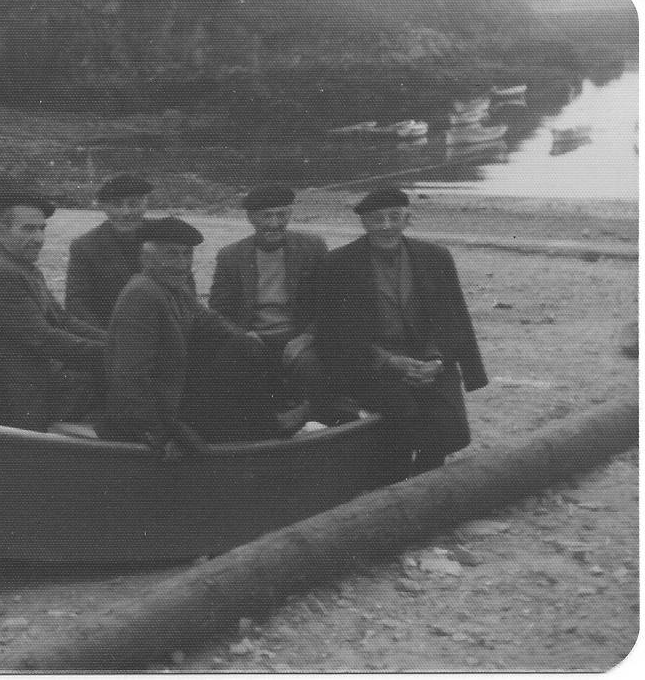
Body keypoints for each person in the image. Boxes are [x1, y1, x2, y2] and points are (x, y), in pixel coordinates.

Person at [312, 187, 487, 477]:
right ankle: (397, 478)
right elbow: (337, 331)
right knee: (402, 415)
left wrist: (438, 360)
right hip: (371, 363)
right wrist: (390, 362)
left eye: (395, 217)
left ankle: (422, 478)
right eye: (376, 220)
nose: (386, 227)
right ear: (364, 224)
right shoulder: (339, 264)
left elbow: (452, 317)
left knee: (446, 422)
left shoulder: (435, 257)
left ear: (409, 219)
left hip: (429, 359)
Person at [97, 217, 288, 450]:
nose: (182, 264)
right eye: (172, 255)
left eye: (187, 255)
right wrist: (162, 434)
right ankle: (267, 429)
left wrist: (248, 340)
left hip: (177, 393)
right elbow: (130, 377)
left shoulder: (174, 287)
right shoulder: (142, 296)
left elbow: (211, 321)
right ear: (147, 259)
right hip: (160, 412)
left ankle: (269, 421)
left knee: (243, 347)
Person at [0, 192, 106, 431]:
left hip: (27, 385)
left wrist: (116, 342)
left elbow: (63, 321)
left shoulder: (23, 268)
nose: (39, 238)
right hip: (6, 399)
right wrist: (112, 353)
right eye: (28, 229)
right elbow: (44, 337)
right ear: (0, 230)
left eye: (41, 229)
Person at [210, 184, 328, 420]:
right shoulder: (231, 256)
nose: (274, 224)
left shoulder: (312, 247)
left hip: (297, 334)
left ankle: (314, 421)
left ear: (290, 215)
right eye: (266, 216)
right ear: (251, 218)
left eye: (281, 215)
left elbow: (330, 302)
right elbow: (217, 312)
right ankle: (258, 427)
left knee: (314, 364)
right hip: (253, 335)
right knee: (233, 366)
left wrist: (308, 336)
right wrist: (242, 335)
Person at [64, 174, 155, 327]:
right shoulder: (85, 246)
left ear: (145, 205)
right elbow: (76, 304)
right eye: (117, 205)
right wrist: (110, 341)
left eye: (133, 204)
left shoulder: (164, 237)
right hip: (107, 338)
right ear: (105, 208)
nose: (126, 213)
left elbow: (185, 296)